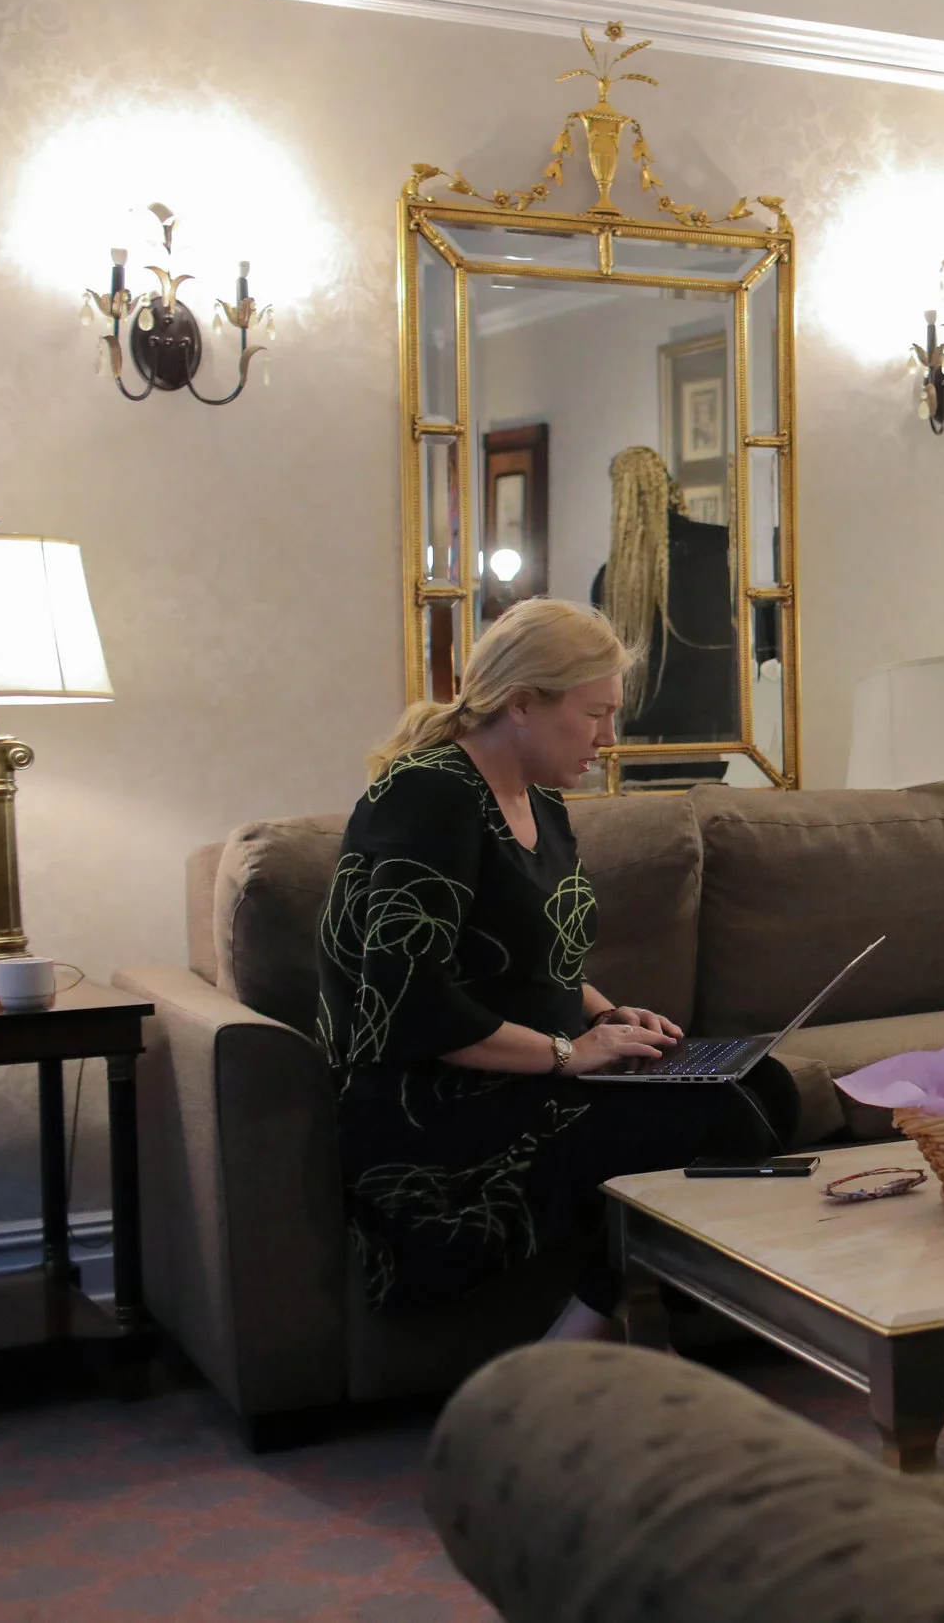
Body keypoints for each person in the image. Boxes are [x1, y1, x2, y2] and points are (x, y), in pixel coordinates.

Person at [319, 598, 796, 1341]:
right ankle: (581, 1337)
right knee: (721, 1115)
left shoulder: (539, 797)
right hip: (439, 1101)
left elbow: (530, 961)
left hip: (525, 1068)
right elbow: (408, 1000)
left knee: (768, 1082)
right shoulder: (429, 794)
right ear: (521, 705)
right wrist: (570, 1055)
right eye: (595, 714)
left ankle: (634, 1313)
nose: (609, 738)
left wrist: (605, 1014)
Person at [591, 445, 739, 754]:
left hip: (642, 737)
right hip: (716, 726)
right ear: (668, 484)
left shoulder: (610, 580)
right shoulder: (717, 546)